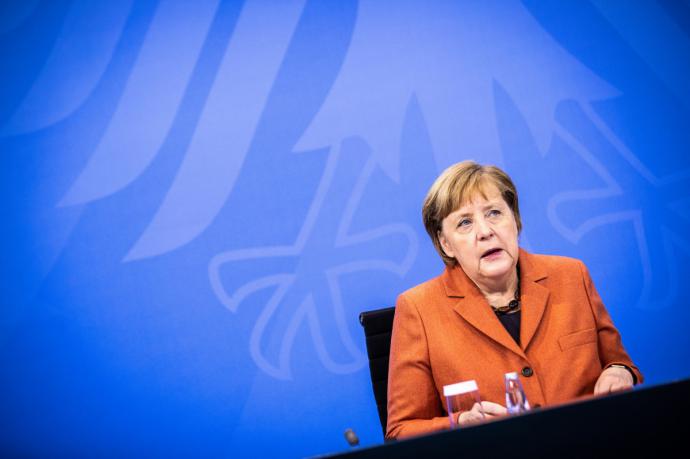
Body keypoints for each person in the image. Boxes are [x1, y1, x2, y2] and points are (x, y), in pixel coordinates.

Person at [386, 161, 643, 440]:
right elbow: (401, 430)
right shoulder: (419, 309)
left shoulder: (571, 276)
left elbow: (619, 363)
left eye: (494, 213)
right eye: (465, 222)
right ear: (445, 243)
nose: (485, 231)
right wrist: (460, 423)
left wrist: (620, 373)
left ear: (515, 220)